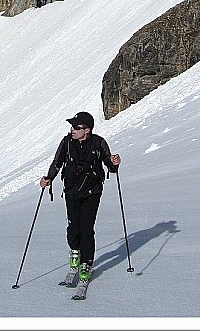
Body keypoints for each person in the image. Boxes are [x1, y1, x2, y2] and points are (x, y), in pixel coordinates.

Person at [39, 111, 121, 283]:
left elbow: (110, 166)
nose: (72, 130)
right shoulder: (67, 142)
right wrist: (48, 178)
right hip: (71, 192)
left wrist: (114, 163)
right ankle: (75, 252)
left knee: (86, 229)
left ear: (87, 130)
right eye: (72, 127)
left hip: (92, 193)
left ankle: (86, 264)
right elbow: (57, 162)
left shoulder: (98, 143)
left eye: (76, 127)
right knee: (73, 228)